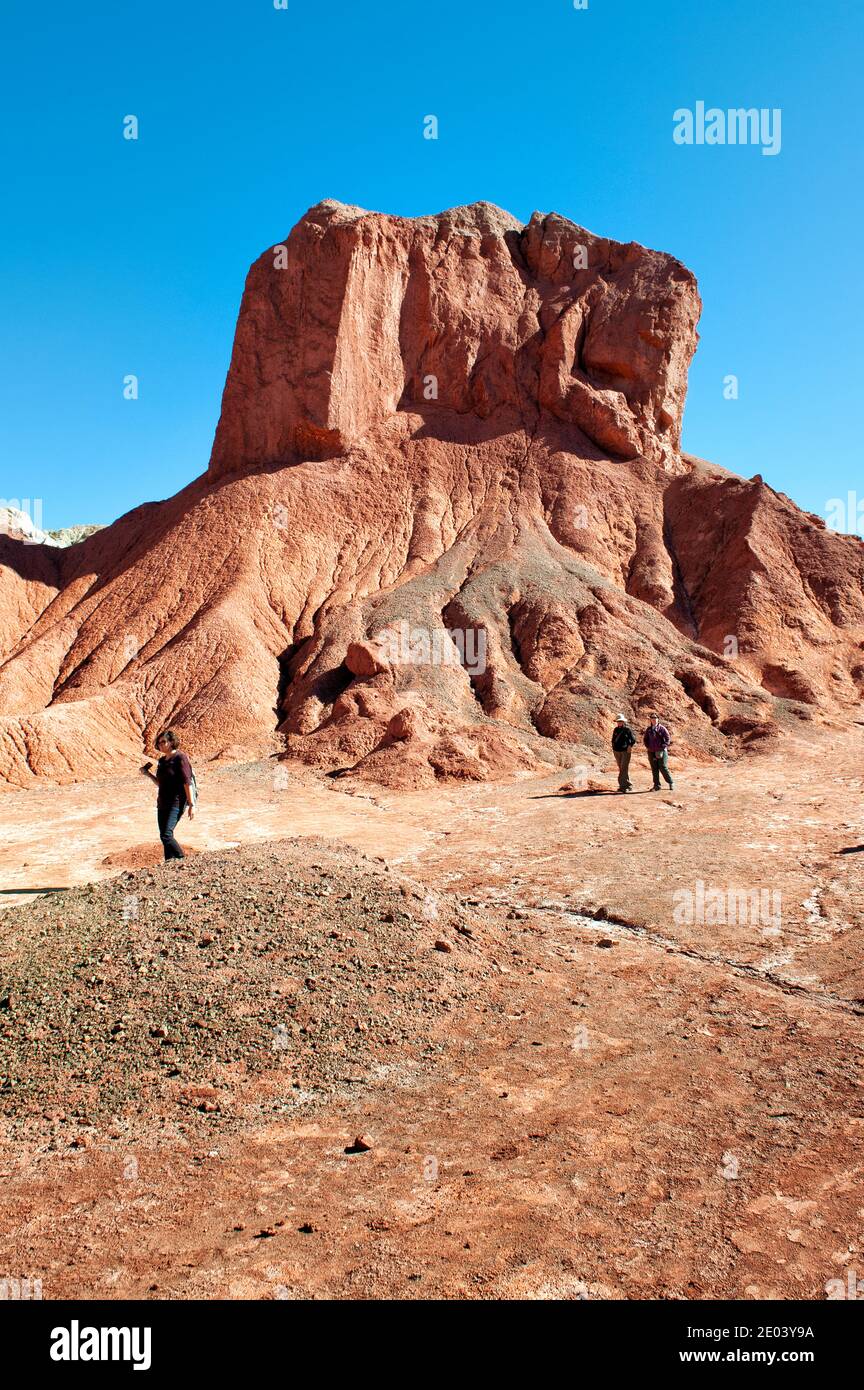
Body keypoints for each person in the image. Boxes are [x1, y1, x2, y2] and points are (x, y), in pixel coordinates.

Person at [141, 729, 195, 860]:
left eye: (163, 741)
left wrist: (192, 804)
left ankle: (181, 859)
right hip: (163, 802)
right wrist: (148, 774)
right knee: (163, 836)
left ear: (171, 742)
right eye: (158, 742)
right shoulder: (162, 761)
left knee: (166, 834)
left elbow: (187, 782)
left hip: (176, 802)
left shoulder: (180, 758)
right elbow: (161, 783)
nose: (160, 744)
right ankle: (169, 863)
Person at [643, 713, 674, 791]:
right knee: (654, 768)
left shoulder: (662, 728)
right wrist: (648, 746)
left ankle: (670, 782)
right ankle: (656, 785)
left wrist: (662, 747)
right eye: (652, 718)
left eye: (655, 718)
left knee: (663, 767)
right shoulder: (649, 729)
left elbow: (667, 739)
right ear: (650, 719)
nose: (654, 719)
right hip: (651, 751)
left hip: (661, 751)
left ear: (658, 719)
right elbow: (645, 739)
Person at [611, 714, 635, 792]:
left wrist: (629, 746)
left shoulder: (627, 730)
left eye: (621, 721)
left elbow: (633, 740)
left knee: (623, 768)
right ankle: (626, 785)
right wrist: (613, 748)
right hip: (617, 751)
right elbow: (613, 739)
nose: (619, 722)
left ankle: (624, 786)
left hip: (625, 751)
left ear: (623, 722)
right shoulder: (615, 730)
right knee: (621, 768)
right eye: (618, 721)